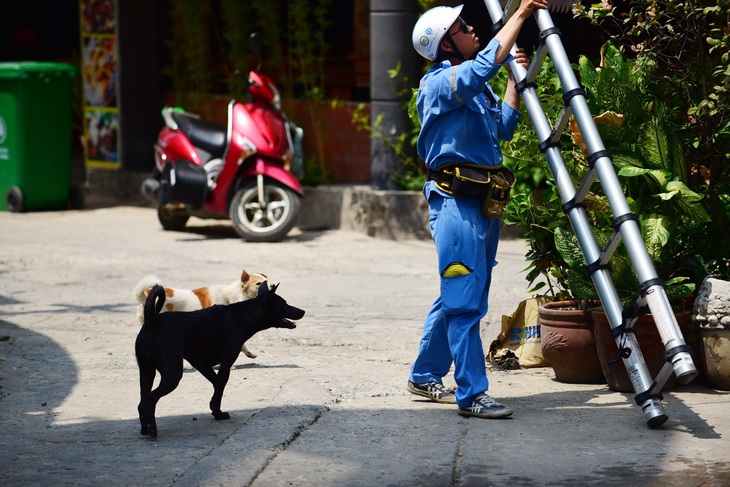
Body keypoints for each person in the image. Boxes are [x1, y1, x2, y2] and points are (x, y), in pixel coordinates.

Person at [407, 0, 548, 419]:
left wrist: (511, 82)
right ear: (446, 45)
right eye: (463, 26)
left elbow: (502, 128)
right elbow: (480, 65)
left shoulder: (475, 87)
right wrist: (519, 15)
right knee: (464, 298)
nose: (472, 29)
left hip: (483, 203)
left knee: (465, 293)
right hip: (453, 203)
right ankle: (472, 394)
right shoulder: (438, 84)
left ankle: (423, 373)